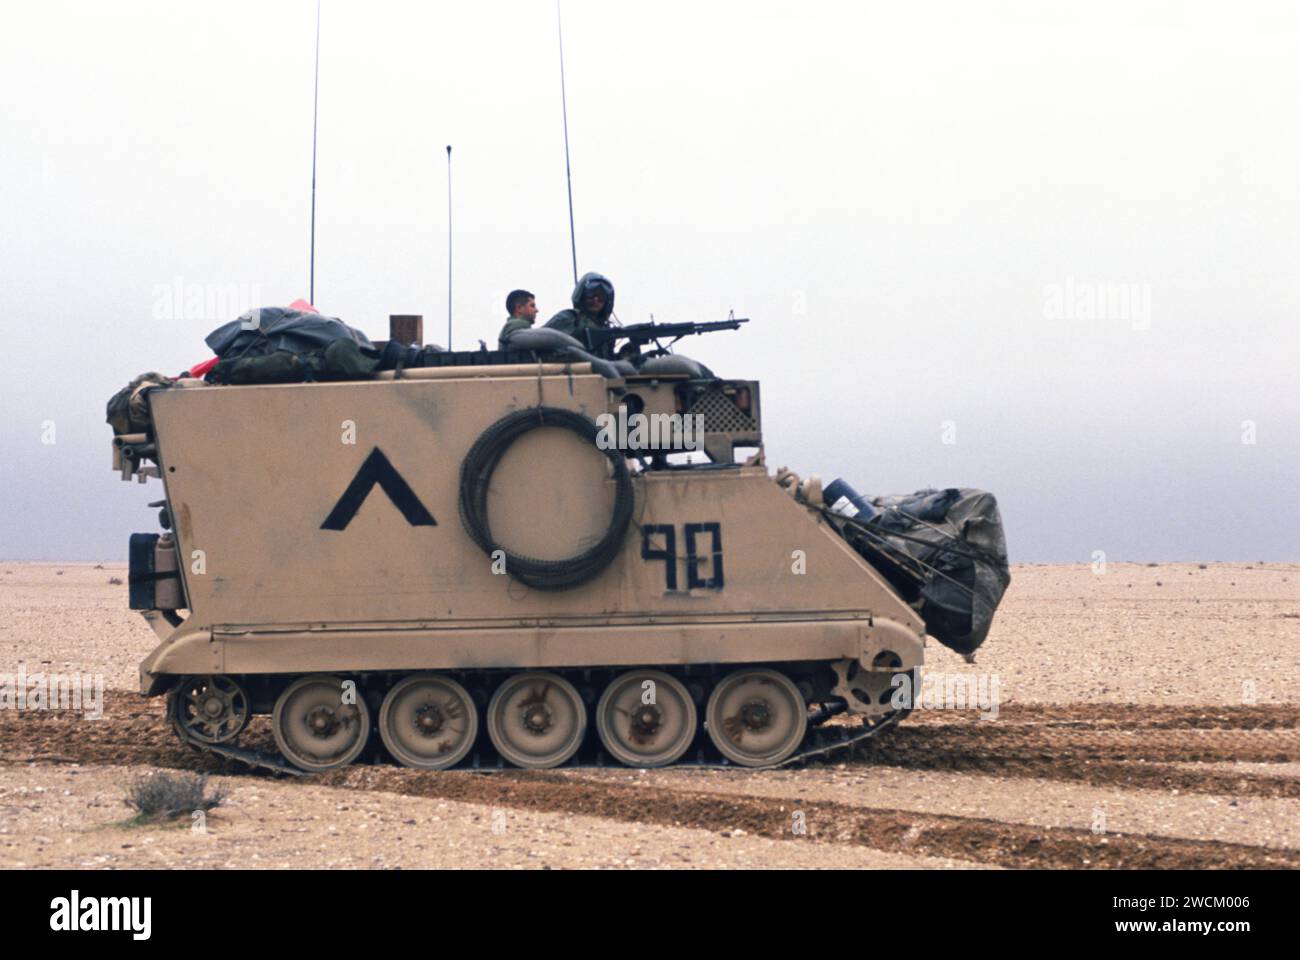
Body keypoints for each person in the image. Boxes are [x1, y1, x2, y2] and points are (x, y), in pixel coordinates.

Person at [544, 272, 617, 358]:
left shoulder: (606, 329)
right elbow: (542, 341)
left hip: (598, 370)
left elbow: (608, 361)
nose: (596, 299)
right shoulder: (569, 318)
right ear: (582, 294)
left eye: (602, 296)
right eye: (591, 294)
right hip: (571, 369)